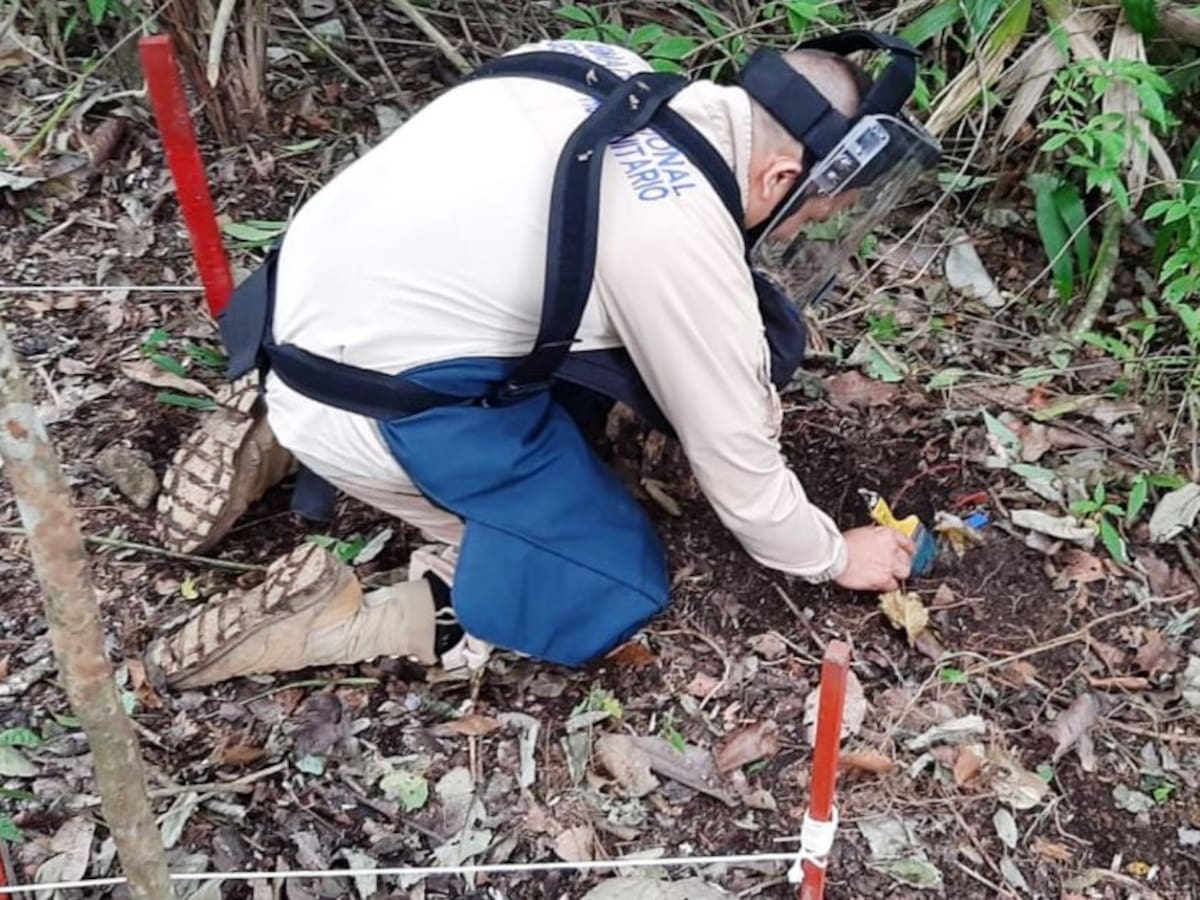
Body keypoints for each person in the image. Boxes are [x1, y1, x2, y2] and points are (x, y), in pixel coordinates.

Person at [144, 30, 939, 690]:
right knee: (609, 577)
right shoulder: (678, 233)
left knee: (557, 347)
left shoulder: (594, 67)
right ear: (782, 176)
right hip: (370, 401)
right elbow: (735, 456)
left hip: (292, 317)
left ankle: (270, 419)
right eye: (812, 214)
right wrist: (832, 554)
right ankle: (371, 613)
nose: (797, 233)